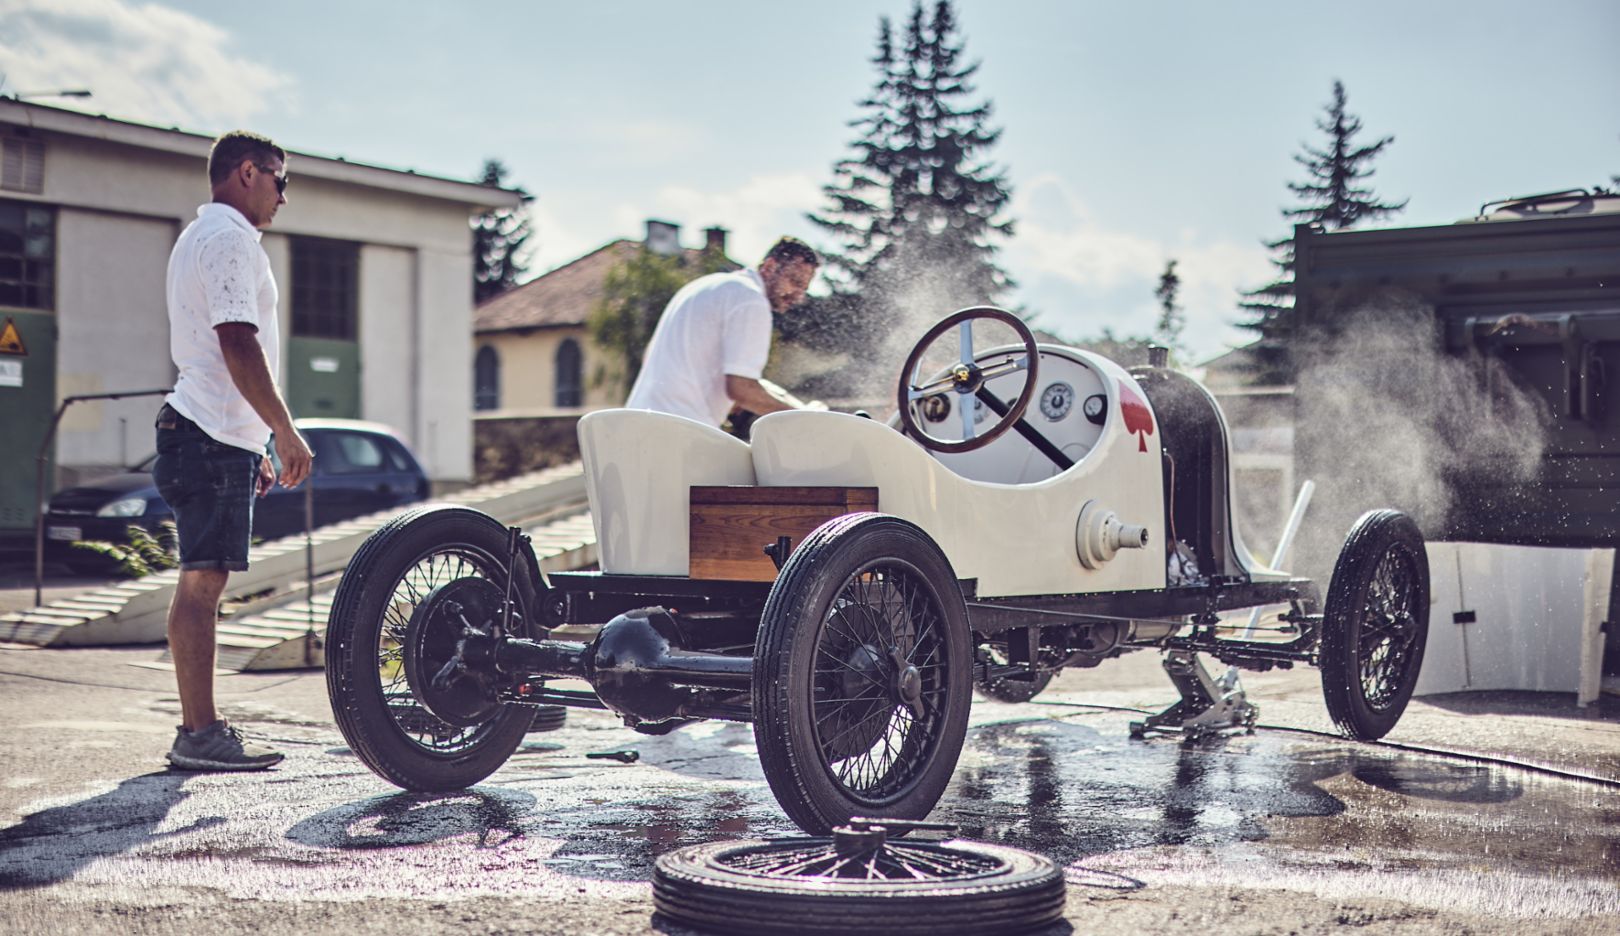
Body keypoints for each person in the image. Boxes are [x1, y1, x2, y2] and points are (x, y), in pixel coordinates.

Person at [155, 130, 314, 771]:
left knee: (201, 579)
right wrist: (281, 429)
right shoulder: (227, 240)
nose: (284, 195)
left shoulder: (206, 235)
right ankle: (200, 733)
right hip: (209, 435)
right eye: (281, 179)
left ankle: (200, 728)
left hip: (213, 434)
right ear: (247, 173)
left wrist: (255, 447)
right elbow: (237, 342)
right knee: (202, 583)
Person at [625, 236, 823, 426]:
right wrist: (806, 421)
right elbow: (742, 389)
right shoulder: (750, 300)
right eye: (795, 282)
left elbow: (653, 356)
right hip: (679, 431)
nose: (798, 296)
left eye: (803, 288)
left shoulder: (706, 286)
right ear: (770, 267)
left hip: (636, 421)